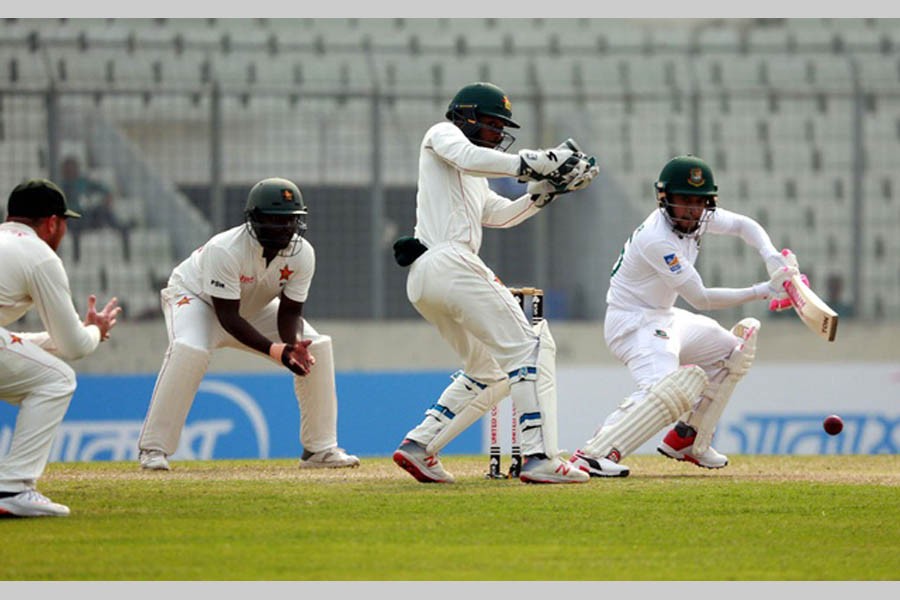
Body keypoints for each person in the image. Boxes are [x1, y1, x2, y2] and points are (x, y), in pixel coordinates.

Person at [390, 81, 602, 484]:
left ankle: (420, 445)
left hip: (430, 280)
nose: (495, 134)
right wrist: (539, 160)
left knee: (486, 368)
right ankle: (539, 457)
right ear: (464, 115)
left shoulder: (472, 175)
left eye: (499, 127)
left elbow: (501, 215)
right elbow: (469, 157)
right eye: (489, 123)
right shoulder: (442, 133)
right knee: (529, 345)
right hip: (448, 262)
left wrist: (545, 192)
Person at [567, 155, 800, 477]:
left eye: (699, 202)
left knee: (732, 351)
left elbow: (745, 225)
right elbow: (700, 298)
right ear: (665, 201)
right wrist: (763, 290)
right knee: (666, 387)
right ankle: (593, 453)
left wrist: (772, 257)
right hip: (632, 323)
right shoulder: (657, 238)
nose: (692, 210)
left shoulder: (699, 217)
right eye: (684, 201)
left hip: (663, 317)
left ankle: (687, 439)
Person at [137, 177, 359, 471]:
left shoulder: (303, 253)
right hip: (197, 300)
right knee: (189, 350)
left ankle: (319, 449)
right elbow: (227, 317)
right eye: (275, 220)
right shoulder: (225, 249)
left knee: (315, 346)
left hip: (253, 306)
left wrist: (293, 346)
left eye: (291, 220)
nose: (284, 228)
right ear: (253, 219)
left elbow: (290, 313)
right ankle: (154, 449)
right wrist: (275, 350)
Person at [0, 178, 121, 517]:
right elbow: (75, 348)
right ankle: (12, 487)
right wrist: (94, 331)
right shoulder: (39, 256)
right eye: (64, 223)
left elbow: (13, 347)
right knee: (57, 380)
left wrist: (81, 331)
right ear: (52, 222)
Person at [58, 155, 133, 261]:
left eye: (74, 167)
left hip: (88, 217)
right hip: (73, 220)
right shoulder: (61, 185)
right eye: (69, 168)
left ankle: (121, 228)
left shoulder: (83, 181)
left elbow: (101, 188)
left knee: (102, 210)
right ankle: (76, 258)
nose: (72, 171)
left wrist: (107, 195)